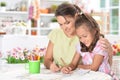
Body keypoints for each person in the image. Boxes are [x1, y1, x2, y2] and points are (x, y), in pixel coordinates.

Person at [44, 3, 113, 73]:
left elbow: (96, 66)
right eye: (61, 24)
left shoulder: (90, 37)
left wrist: (78, 66)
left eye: (67, 23)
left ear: (76, 17)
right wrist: (57, 66)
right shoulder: (79, 43)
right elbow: (48, 59)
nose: (64, 28)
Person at [61, 11, 118, 79]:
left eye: (85, 36)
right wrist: (68, 68)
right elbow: (73, 63)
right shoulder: (80, 45)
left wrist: (79, 66)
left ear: (94, 31)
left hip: (104, 77)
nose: (82, 40)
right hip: (90, 77)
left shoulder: (100, 45)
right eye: (80, 37)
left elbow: (94, 67)